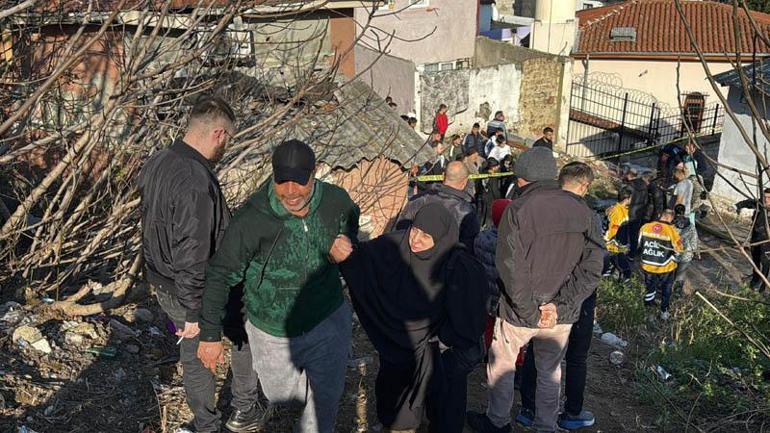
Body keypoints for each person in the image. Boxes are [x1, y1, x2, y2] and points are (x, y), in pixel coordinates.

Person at [197, 139, 360, 433]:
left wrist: (347, 243)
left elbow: (350, 224)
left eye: (299, 182)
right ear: (273, 176)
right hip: (272, 328)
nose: (291, 191)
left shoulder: (336, 200)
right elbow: (220, 273)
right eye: (283, 181)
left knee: (323, 404)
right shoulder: (253, 218)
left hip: (327, 318)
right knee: (279, 394)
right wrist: (209, 335)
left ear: (314, 175)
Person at [137, 96, 260, 433]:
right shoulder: (194, 180)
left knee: (193, 355)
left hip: (164, 282)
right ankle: (241, 411)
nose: (227, 146)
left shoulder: (159, 161)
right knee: (239, 333)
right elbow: (192, 249)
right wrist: (196, 314)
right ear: (218, 134)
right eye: (229, 139)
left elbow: (150, 225)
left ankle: (207, 424)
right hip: (195, 288)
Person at [467, 148, 604, 433]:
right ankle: (545, 426)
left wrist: (528, 309)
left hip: (519, 313)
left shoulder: (517, 209)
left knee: (502, 366)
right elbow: (591, 269)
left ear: (521, 181)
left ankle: (498, 422)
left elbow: (509, 265)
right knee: (550, 372)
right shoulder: (584, 211)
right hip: (559, 317)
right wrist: (560, 306)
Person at [339, 204, 488, 433]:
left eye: (426, 236)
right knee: (396, 404)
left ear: (441, 238)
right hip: (398, 344)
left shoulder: (460, 266)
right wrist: (342, 250)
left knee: (444, 407)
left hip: (442, 349)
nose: (416, 240)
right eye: (415, 230)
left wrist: (443, 336)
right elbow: (362, 258)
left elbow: (471, 320)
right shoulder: (395, 246)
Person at [516, 161, 602, 431]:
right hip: (577, 298)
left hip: (542, 293)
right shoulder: (590, 217)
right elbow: (595, 264)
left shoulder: (539, 206)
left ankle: (528, 409)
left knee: (537, 352)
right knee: (575, 357)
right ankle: (571, 412)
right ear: (585, 186)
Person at [398, 161, 480, 250]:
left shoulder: (420, 199)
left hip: (411, 256)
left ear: (443, 175)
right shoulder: (467, 212)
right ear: (465, 182)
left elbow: (401, 229)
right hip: (444, 261)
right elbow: (468, 247)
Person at [475, 198, 513, 348]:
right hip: (505, 293)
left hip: (486, 291)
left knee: (489, 323)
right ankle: (517, 360)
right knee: (508, 329)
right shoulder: (514, 241)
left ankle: (487, 349)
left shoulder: (482, 237)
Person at [638, 209, 683, 320]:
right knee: (666, 289)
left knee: (650, 288)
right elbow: (679, 250)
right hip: (665, 267)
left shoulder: (645, 227)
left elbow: (639, 244)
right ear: (671, 218)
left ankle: (647, 312)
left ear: (660, 215)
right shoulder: (672, 231)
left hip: (648, 265)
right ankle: (664, 312)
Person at [735, 188, 770, 291]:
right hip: (755, 238)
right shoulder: (759, 203)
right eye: (764, 197)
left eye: (769, 198)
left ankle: (762, 287)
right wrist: (735, 206)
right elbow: (747, 202)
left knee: (766, 264)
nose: (766, 199)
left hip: (767, 242)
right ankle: (754, 281)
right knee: (755, 262)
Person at [604, 187, 633, 281]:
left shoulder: (622, 209)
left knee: (616, 260)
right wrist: (615, 242)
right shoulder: (617, 212)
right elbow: (613, 229)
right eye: (631, 198)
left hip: (619, 241)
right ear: (626, 199)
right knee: (617, 260)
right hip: (614, 243)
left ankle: (612, 274)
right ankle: (624, 277)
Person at [625, 168, 649, 258]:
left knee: (624, 233)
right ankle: (633, 253)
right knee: (634, 234)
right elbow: (646, 201)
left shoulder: (630, 185)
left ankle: (624, 252)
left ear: (629, 175)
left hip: (629, 212)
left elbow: (625, 199)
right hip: (639, 213)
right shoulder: (644, 185)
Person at [673, 204, 697, 291]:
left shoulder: (672, 225)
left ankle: (663, 290)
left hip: (673, 254)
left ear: (675, 212)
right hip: (686, 254)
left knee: (669, 274)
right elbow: (694, 240)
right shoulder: (690, 226)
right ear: (684, 212)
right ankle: (677, 293)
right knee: (681, 275)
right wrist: (694, 251)